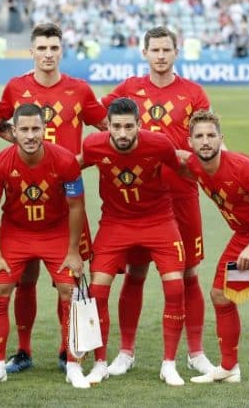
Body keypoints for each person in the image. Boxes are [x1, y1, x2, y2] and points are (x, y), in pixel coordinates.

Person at [101, 26, 215, 377]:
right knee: (135, 273)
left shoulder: (194, 94)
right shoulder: (129, 90)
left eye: (167, 50)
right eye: (156, 50)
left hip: (181, 195)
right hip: (139, 198)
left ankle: (195, 352)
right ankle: (126, 351)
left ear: (175, 52)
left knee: (189, 272)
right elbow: (97, 117)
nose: (161, 56)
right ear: (145, 53)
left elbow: (205, 139)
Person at [0, 22, 107, 372]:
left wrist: (81, 161)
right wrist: (25, 149)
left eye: (53, 48)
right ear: (32, 51)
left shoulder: (79, 89)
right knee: (24, 278)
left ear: (62, 51)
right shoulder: (16, 87)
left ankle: (66, 351)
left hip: (67, 200)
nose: (47, 54)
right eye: (41, 48)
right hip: (26, 199)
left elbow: (106, 128)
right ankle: (24, 351)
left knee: (69, 279)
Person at [182, 110, 249, 402]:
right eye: (199, 136)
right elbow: (172, 157)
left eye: (211, 135)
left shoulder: (243, 168)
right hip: (244, 235)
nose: (205, 141)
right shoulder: (194, 164)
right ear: (190, 142)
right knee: (222, 295)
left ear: (221, 139)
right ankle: (229, 368)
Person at [0, 103, 86, 388]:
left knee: (70, 288)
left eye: (35, 128)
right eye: (23, 129)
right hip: (17, 233)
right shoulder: (0, 163)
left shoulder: (65, 161)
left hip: (55, 232)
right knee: (0, 286)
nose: (30, 135)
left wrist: (74, 251)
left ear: (45, 129)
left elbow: (76, 206)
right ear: (13, 131)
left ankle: (73, 363)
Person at [80, 98, 187, 386]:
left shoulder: (160, 144)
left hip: (159, 221)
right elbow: (70, 168)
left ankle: (169, 364)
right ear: (108, 127)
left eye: (129, 126)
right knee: (97, 293)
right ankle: (101, 362)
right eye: (117, 127)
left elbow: (184, 168)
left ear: (139, 125)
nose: (123, 133)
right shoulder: (93, 145)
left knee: (176, 288)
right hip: (115, 223)